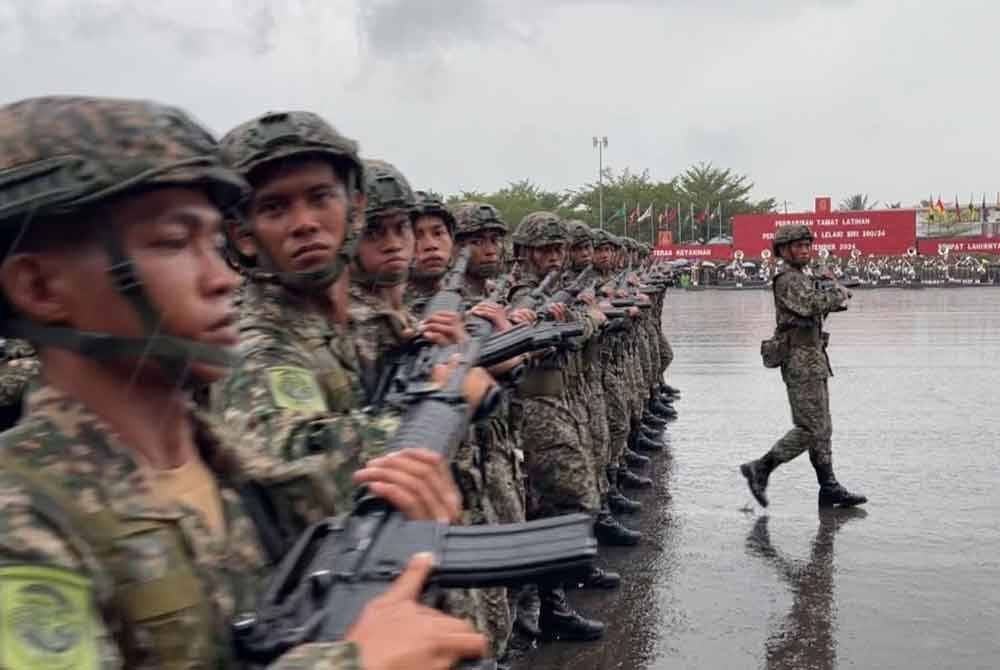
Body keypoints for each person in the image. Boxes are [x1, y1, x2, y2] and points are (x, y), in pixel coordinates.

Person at [0, 96, 487, 669]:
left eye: (212, 242)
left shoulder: (234, 476)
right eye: (172, 242)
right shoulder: (24, 516)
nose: (220, 280)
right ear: (39, 289)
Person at [740, 224, 867, 508]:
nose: (805, 250)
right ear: (784, 251)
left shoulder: (802, 277)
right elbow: (810, 305)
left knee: (822, 427)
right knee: (809, 427)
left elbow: (819, 307)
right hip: (799, 360)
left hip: (813, 356)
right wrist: (837, 294)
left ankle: (829, 486)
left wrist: (832, 291)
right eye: (798, 246)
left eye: (808, 245)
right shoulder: (787, 279)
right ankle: (760, 468)